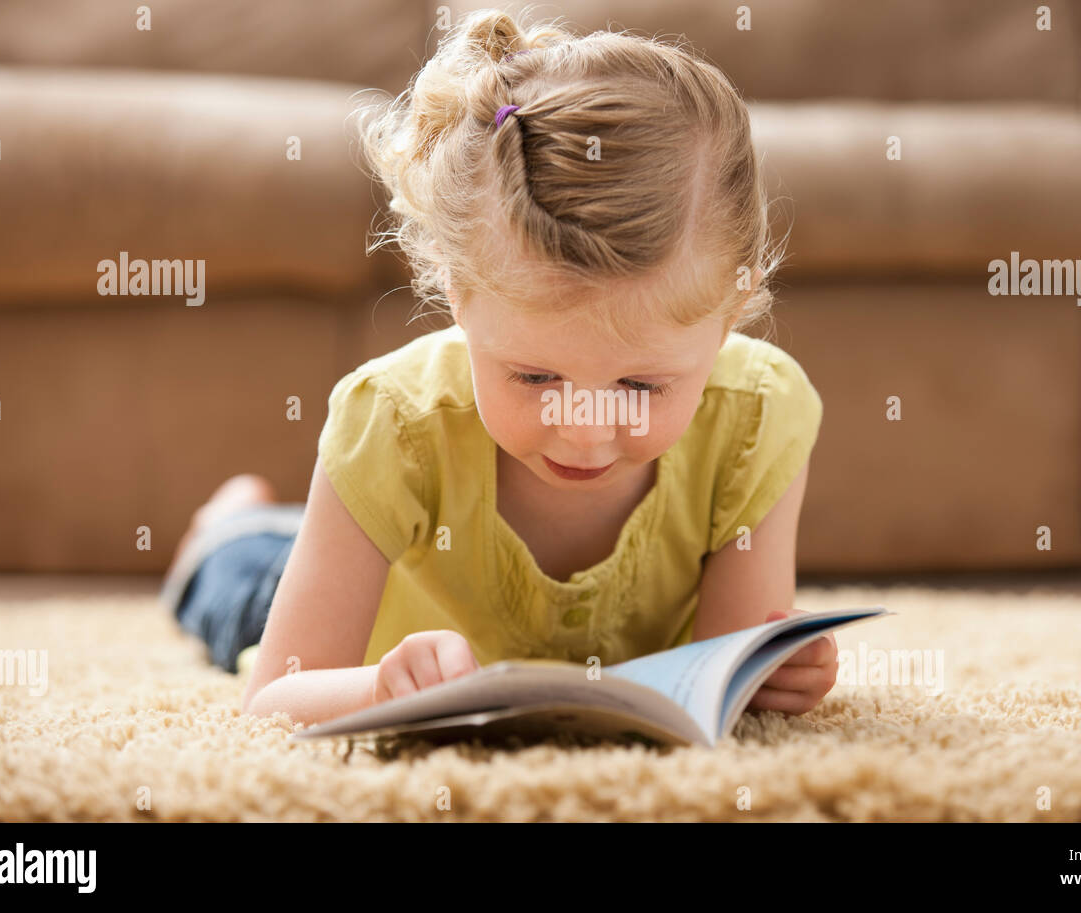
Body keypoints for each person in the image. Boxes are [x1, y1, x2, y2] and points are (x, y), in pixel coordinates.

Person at [158, 8, 838, 729]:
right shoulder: (392, 425)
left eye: (639, 386)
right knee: (240, 588)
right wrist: (378, 690)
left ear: (733, 309)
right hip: (348, 596)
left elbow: (712, 676)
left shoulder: (758, 414)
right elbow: (272, 700)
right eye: (535, 378)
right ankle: (227, 525)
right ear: (457, 291)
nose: (582, 432)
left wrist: (770, 671)